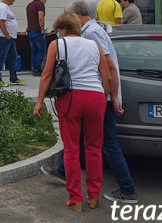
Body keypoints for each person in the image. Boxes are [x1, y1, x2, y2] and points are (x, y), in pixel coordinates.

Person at [41, 1, 139, 204]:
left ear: (74, 19)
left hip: (85, 96)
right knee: (88, 144)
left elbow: (110, 69)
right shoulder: (92, 35)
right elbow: (106, 70)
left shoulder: (90, 34)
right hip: (95, 96)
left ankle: (125, 188)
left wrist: (112, 97)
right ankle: (79, 184)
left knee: (102, 144)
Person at [34, 11, 112, 212]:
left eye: (57, 30)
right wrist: (102, 98)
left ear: (62, 29)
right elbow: (107, 77)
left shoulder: (56, 45)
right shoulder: (95, 46)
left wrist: (40, 101)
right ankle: (93, 196)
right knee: (94, 148)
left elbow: (47, 74)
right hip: (95, 97)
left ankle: (75, 198)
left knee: (71, 149)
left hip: (70, 98)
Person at [0, 0, 24, 86]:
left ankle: (13, 78)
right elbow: (1, 22)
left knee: (13, 57)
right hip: (4, 37)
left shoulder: (6, 8)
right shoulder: (2, 8)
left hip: (9, 38)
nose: (14, 0)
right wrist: (7, 35)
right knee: (1, 58)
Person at [26, 0, 48, 76]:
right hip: (37, 31)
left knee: (34, 50)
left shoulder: (29, 5)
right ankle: (37, 68)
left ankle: (33, 68)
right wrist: (42, 29)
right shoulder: (40, 5)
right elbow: (40, 17)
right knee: (42, 50)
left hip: (30, 31)